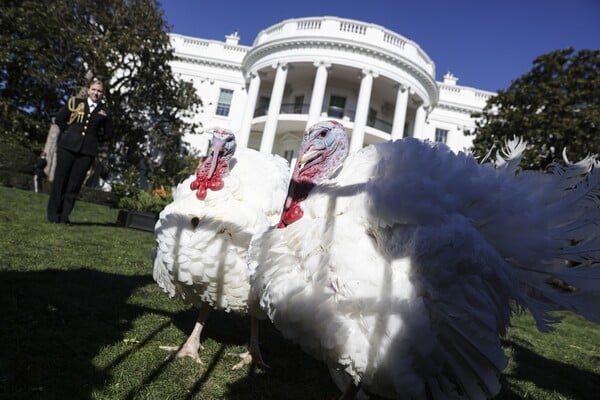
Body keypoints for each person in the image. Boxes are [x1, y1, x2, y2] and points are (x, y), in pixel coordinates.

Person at [47, 79, 114, 224]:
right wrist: (69, 133)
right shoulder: (76, 103)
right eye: (94, 90)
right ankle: (53, 215)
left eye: (99, 91)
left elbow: (109, 134)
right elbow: (59, 119)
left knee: (74, 184)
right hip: (68, 147)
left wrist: (95, 140)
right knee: (60, 180)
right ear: (88, 90)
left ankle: (64, 217)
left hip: (87, 152)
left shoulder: (105, 112)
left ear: (103, 94)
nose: (96, 93)